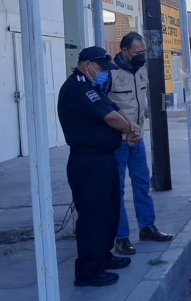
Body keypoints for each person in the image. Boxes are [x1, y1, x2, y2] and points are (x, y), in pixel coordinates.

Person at [57, 46, 139, 287]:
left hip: (104, 158)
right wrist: (130, 130)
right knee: (93, 216)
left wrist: (129, 128)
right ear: (87, 65)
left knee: (109, 212)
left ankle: (103, 257)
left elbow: (114, 109)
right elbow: (110, 118)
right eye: (101, 68)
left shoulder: (92, 86)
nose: (104, 73)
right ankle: (88, 272)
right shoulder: (78, 87)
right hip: (88, 161)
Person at [107, 32, 173, 256]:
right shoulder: (109, 74)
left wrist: (137, 131)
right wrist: (125, 130)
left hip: (137, 139)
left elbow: (141, 104)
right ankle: (121, 238)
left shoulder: (142, 70)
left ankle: (147, 227)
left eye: (143, 51)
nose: (141, 56)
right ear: (124, 51)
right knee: (116, 189)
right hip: (118, 140)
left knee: (142, 184)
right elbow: (104, 108)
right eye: (137, 52)